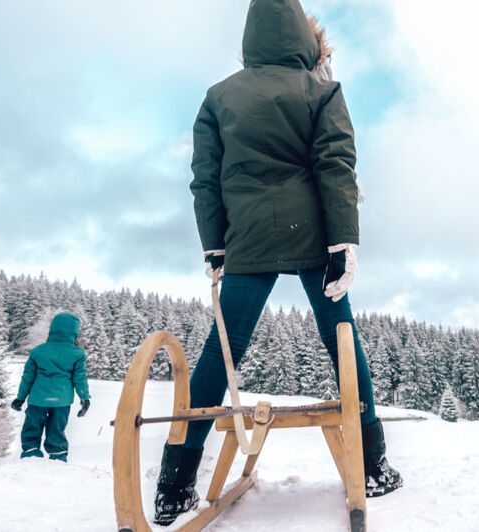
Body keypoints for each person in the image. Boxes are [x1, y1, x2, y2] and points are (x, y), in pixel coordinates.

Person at [152, 0, 402, 525]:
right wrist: (344, 243)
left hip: (247, 238)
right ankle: (374, 463)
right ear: (304, 39)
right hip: (314, 234)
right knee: (341, 337)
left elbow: (206, 178)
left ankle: (175, 481)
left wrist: (214, 246)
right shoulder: (322, 89)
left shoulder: (219, 97)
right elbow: (336, 164)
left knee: (222, 348)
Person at [10, 312, 91, 462]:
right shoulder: (78, 353)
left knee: (32, 428)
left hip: (37, 399)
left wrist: (20, 398)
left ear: (53, 329)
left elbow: (28, 377)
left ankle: (30, 454)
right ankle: (58, 457)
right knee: (57, 430)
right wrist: (84, 398)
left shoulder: (38, 351)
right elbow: (80, 378)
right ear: (74, 332)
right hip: (62, 401)